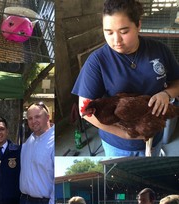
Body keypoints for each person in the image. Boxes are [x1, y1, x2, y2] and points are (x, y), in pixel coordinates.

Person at [72, 0, 179, 156]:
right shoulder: (97, 61)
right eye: (108, 32)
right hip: (118, 145)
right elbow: (84, 109)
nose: (116, 40)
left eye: (124, 31)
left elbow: (177, 81)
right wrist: (125, 134)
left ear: (138, 25)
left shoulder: (159, 50)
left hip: (154, 133)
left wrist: (167, 93)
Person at [20, 103, 55, 204]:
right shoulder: (29, 141)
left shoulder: (53, 141)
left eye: (37, 117)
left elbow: (57, 178)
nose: (33, 121)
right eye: (30, 118)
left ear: (48, 116)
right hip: (25, 203)